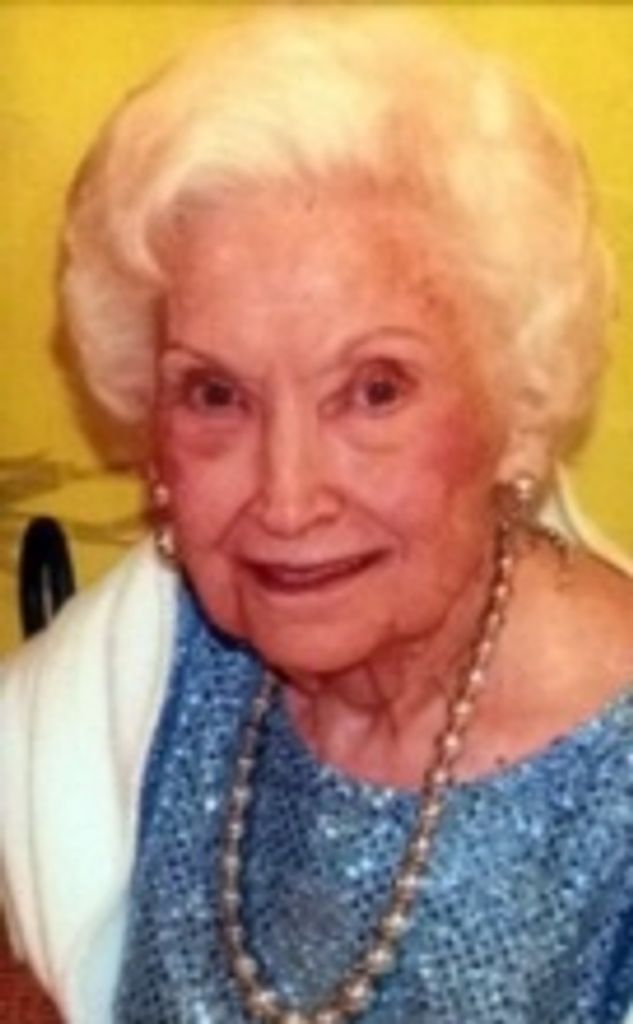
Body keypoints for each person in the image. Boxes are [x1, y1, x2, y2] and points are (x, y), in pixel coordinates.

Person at [1, 6, 632, 1023]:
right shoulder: (148, 656)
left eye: (374, 390)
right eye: (216, 395)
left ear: (517, 409)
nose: (286, 501)